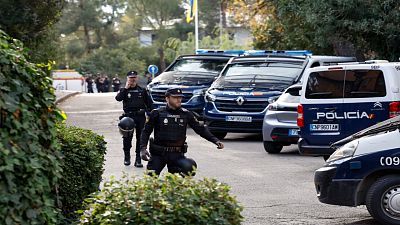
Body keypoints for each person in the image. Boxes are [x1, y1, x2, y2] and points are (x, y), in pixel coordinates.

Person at [139, 88, 224, 176]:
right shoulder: (157, 113)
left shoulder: (186, 114)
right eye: (175, 97)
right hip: (159, 154)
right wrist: (143, 149)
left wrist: (215, 140)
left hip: (176, 154)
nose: (179, 100)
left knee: (188, 168)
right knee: (150, 179)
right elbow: (146, 131)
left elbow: (200, 129)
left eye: (180, 97)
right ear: (167, 98)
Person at [115, 71, 152, 167]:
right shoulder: (124, 90)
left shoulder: (142, 90)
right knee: (127, 138)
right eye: (130, 78)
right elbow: (118, 98)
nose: (132, 79)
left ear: (137, 78)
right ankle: (127, 157)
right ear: (127, 79)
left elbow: (149, 104)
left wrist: (150, 115)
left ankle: (138, 159)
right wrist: (125, 89)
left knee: (140, 138)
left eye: (134, 77)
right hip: (128, 117)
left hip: (140, 117)